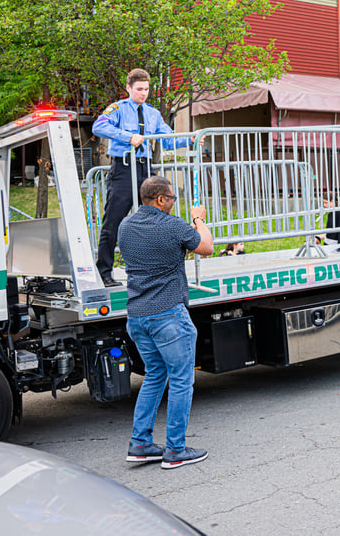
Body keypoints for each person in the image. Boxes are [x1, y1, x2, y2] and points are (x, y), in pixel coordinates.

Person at [119, 175, 213, 469]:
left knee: (155, 376)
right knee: (182, 381)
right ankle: (175, 450)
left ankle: (141, 443)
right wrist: (198, 219)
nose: (173, 203)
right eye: (171, 198)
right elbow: (206, 247)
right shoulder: (172, 226)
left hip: (137, 317)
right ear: (160, 199)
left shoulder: (126, 226)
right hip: (168, 315)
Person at [93, 68, 190, 286]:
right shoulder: (118, 108)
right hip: (124, 168)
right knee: (113, 221)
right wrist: (128, 137)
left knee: (161, 211)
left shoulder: (153, 113)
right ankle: (104, 272)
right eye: (139, 89)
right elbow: (98, 126)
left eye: (146, 89)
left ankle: (160, 266)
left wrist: (190, 140)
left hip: (145, 169)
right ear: (128, 88)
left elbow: (167, 140)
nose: (143, 93)